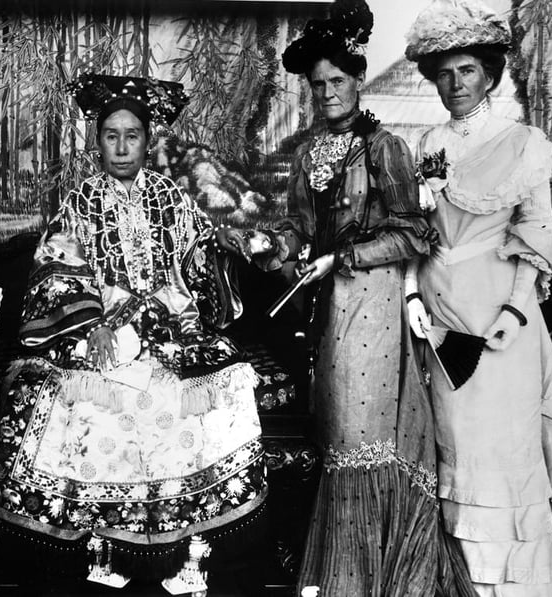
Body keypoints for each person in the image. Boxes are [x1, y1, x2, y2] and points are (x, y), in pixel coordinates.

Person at [217, 0, 475, 594]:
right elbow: (300, 232)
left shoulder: (384, 147)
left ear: (358, 81)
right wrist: (264, 242)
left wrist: (345, 257)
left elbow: (414, 234)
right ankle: (346, 572)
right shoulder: (308, 153)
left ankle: (377, 577)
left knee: (366, 436)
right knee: (338, 435)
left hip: (377, 303)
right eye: (318, 85)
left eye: (337, 81)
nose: (328, 93)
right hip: (332, 311)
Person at [0, 73, 268, 595]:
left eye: (132, 136)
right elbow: (56, 268)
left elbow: (196, 258)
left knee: (210, 390)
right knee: (83, 400)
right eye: (111, 136)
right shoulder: (81, 200)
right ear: (97, 142)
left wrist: (220, 247)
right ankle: (104, 545)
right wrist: (94, 322)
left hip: (169, 323)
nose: (121, 147)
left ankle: (189, 543)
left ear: (147, 141)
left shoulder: (170, 196)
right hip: (101, 325)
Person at [404, 1, 552, 594]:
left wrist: (514, 309)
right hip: (440, 313)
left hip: (501, 312)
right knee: (455, 441)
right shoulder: (425, 143)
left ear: (490, 75)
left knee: (503, 444)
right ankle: (462, 579)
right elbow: (415, 235)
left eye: (467, 71)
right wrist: (412, 295)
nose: (455, 84)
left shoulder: (523, 141)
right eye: (444, 74)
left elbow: (537, 230)